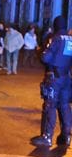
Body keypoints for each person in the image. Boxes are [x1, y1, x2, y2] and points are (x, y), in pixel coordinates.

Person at [30, 16, 72, 147]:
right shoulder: (71, 39)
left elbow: (46, 58)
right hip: (66, 78)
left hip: (54, 78)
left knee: (50, 105)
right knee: (64, 106)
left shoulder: (56, 39)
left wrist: (40, 52)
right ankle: (66, 137)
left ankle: (47, 137)